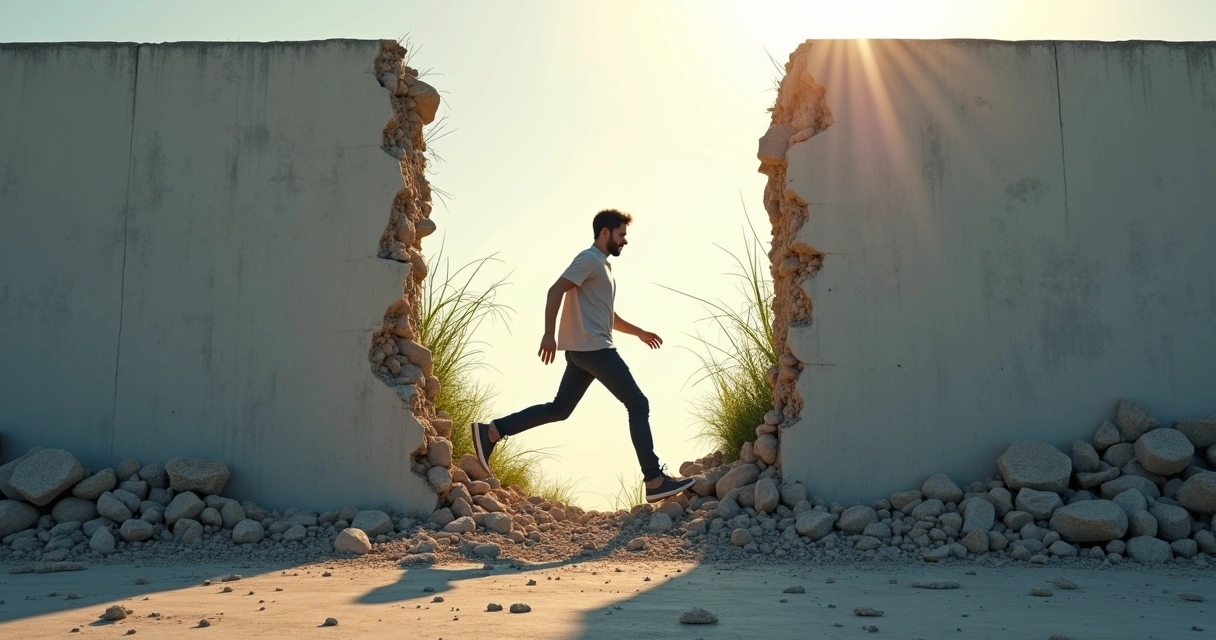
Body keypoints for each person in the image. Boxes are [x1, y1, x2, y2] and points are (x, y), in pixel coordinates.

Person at [470, 209, 696, 503]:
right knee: (638, 403)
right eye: (621, 235)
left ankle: (492, 431)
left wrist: (639, 332)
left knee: (559, 409)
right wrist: (548, 333)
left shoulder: (603, 267)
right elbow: (555, 291)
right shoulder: (589, 259)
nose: (625, 241)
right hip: (594, 349)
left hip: (583, 351)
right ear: (605, 233)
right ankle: (654, 479)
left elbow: (608, 315)